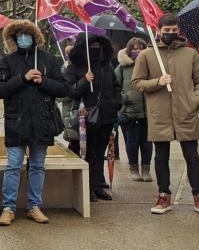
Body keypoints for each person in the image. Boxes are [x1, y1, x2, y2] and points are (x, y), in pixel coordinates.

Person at [132, 14, 199, 215]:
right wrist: (157, 82)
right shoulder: (147, 55)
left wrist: (195, 101)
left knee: (192, 155)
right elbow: (136, 83)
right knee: (161, 156)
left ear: (179, 30)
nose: (170, 33)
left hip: (186, 112)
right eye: (166, 30)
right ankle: (163, 195)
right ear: (159, 30)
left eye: (173, 30)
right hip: (160, 114)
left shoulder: (190, 54)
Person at [0, 20, 70, 226]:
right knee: (13, 166)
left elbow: (63, 88)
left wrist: (43, 81)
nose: (23, 38)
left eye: (26, 34)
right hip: (16, 123)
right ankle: (8, 208)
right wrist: (23, 78)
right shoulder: (7, 61)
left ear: (35, 37)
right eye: (18, 35)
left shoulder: (47, 59)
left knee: (37, 166)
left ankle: (34, 206)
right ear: (13, 38)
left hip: (42, 122)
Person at [64, 32, 121, 201]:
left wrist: (117, 103)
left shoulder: (107, 66)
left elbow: (116, 86)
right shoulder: (74, 67)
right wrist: (84, 80)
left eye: (98, 46)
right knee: (87, 154)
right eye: (91, 46)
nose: (95, 49)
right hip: (86, 118)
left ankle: (97, 186)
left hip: (107, 116)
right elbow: (68, 91)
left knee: (99, 153)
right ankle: (86, 188)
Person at [115, 37, 153, 182]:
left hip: (149, 111)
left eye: (140, 47)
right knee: (132, 142)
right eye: (134, 48)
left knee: (147, 143)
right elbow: (115, 86)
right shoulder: (123, 67)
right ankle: (133, 169)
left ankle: (146, 170)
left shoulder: (150, 65)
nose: (137, 50)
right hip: (130, 112)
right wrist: (124, 98)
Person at [58, 42, 80, 156]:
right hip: (68, 110)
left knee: (76, 139)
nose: (68, 54)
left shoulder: (81, 67)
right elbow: (61, 92)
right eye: (66, 52)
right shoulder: (63, 68)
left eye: (70, 51)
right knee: (72, 138)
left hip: (79, 109)